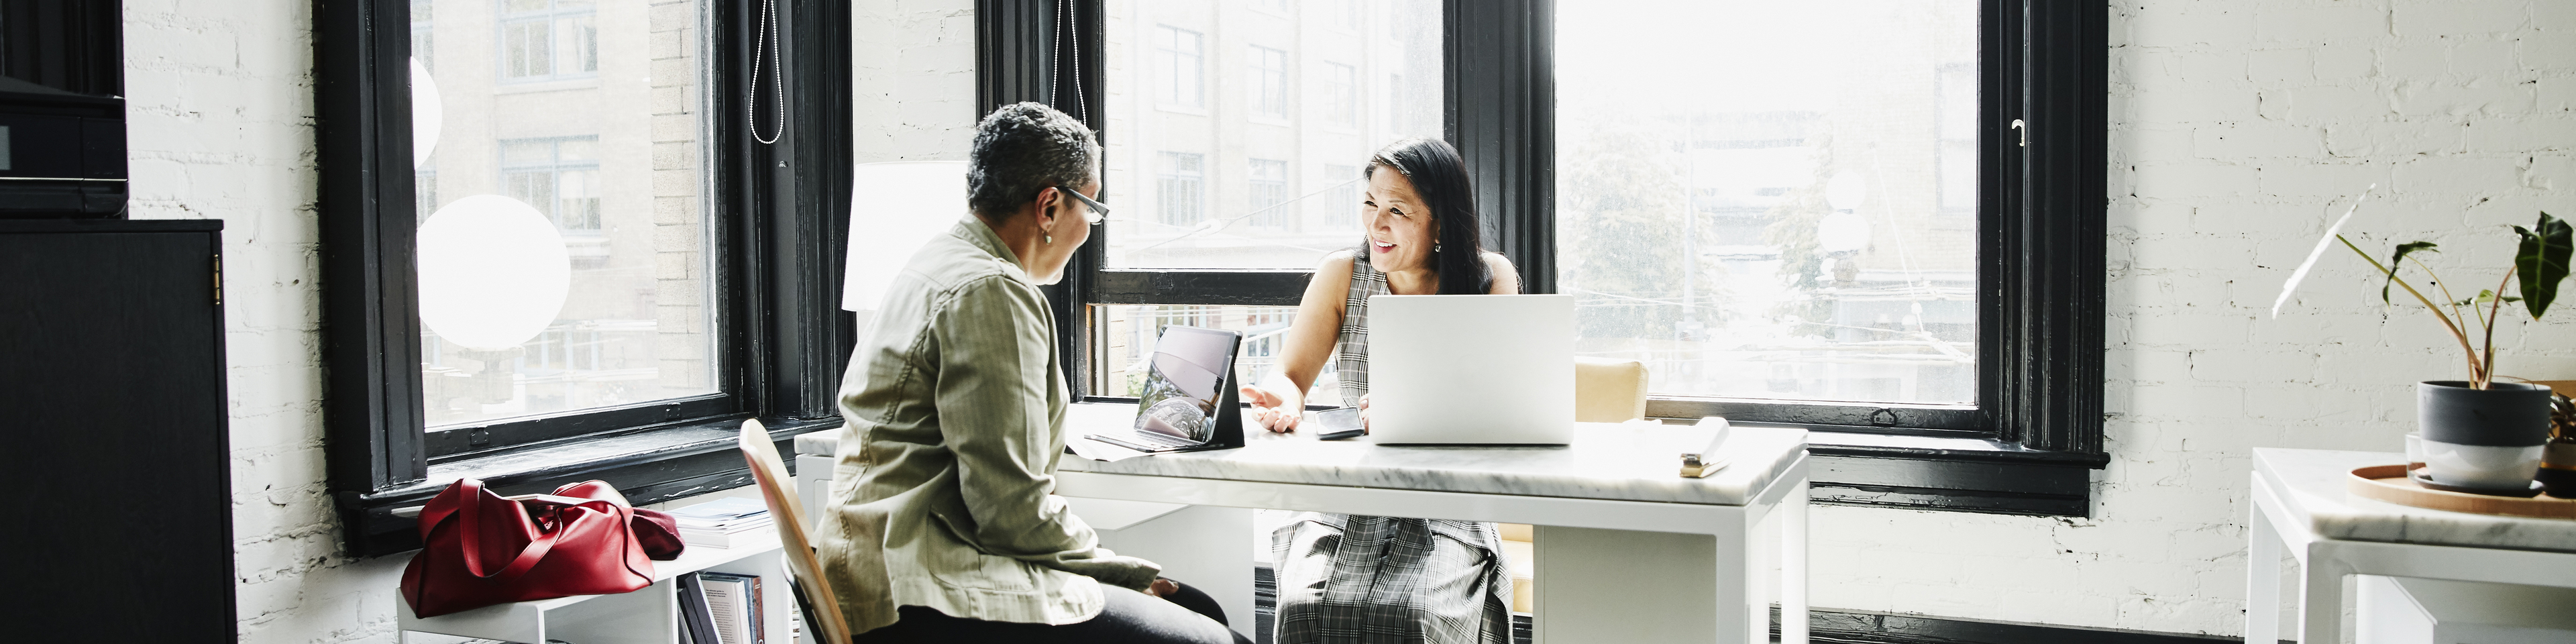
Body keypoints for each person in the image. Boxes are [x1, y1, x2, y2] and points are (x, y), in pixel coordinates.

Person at [816, 102, 1249, 644]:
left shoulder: (936, 261)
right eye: (1090, 209)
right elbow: (1010, 510)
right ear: (1049, 206)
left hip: (875, 565)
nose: (1089, 228)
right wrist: (1122, 573)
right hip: (927, 586)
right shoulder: (991, 291)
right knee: (1216, 632)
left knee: (1199, 607)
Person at [1238, 137, 1519, 644]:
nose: (1376, 224)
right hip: (1350, 496)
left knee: (1415, 617)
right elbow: (1290, 374)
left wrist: (1416, 410)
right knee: (1307, 609)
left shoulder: (1488, 277)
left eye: (1397, 211)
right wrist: (1285, 397)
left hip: (1449, 501)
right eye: (1370, 204)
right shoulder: (1342, 273)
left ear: (1440, 221)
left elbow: (1501, 402)